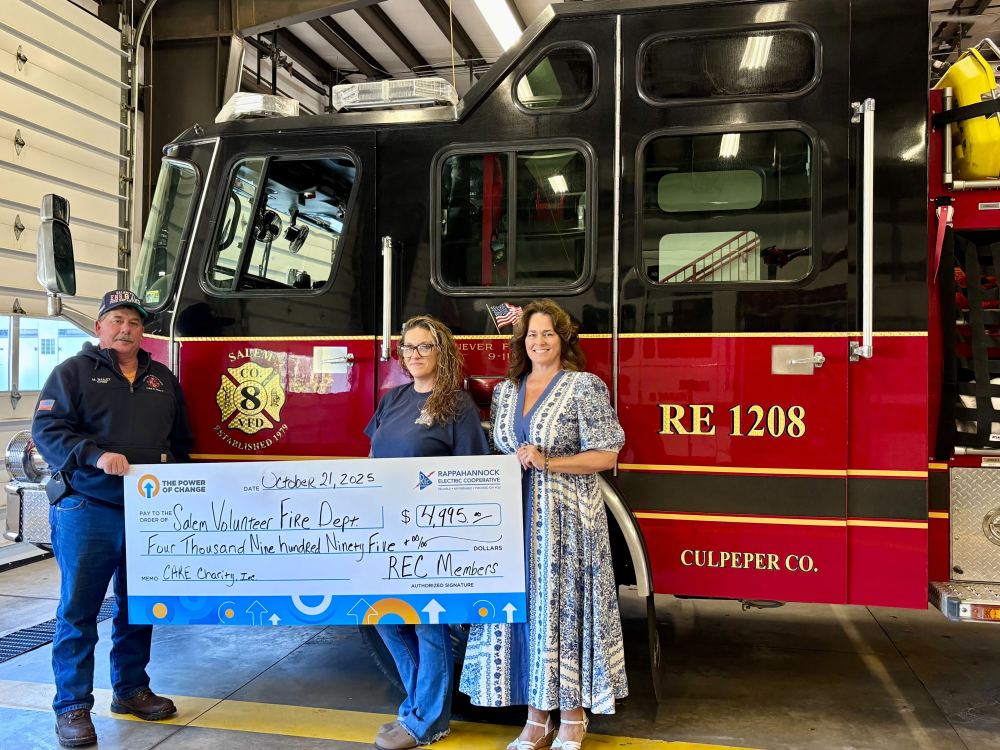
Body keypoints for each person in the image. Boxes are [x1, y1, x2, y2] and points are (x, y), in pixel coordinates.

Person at [460, 299, 627, 750]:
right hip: (517, 522)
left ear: (563, 339)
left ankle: (572, 717)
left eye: (548, 334)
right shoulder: (506, 392)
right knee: (526, 616)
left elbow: (607, 455)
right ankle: (536, 718)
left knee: (564, 611)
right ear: (522, 342)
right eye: (532, 335)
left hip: (568, 520)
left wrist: (548, 459)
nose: (539, 342)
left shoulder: (583, 386)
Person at [32, 289, 192, 748]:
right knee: (79, 612)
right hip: (89, 509)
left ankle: (130, 689)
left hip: (149, 513)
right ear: (100, 327)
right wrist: (95, 455)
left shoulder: (162, 377)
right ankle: (72, 706)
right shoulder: (72, 373)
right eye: (117, 320)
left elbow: (181, 441)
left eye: (135, 323)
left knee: (138, 608)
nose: (126, 329)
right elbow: (48, 431)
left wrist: (183, 491)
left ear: (144, 331)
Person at [365, 315, 490, 750]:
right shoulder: (392, 399)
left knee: (427, 623)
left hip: (432, 532)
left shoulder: (457, 406)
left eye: (424, 347)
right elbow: (372, 456)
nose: (414, 356)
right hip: (386, 527)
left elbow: (475, 474)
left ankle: (427, 720)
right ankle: (419, 706)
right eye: (408, 348)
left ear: (443, 352)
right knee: (382, 615)